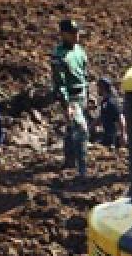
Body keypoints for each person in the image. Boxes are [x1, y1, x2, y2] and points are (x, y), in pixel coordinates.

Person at [52, 19, 90, 178]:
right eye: (72, 33)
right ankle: (82, 170)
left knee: (71, 129)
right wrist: (66, 104)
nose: (76, 35)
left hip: (82, 94)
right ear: (63, 34)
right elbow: (59, 82)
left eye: (77, 32)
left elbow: (84, 72)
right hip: (71, 97)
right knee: (81, 130)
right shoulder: (59, 55)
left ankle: (69, 159)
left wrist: (89, 93)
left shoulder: (80, 51)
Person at [97, 77, 125, 151]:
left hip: (114, 138)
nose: (97, 89)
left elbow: (121, 118)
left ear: (103, 87)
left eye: (98, 87)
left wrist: (123, 135)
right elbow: (102, 116)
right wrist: (90, 127)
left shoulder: (112, 102)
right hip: (106, 135)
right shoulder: (104, 102)